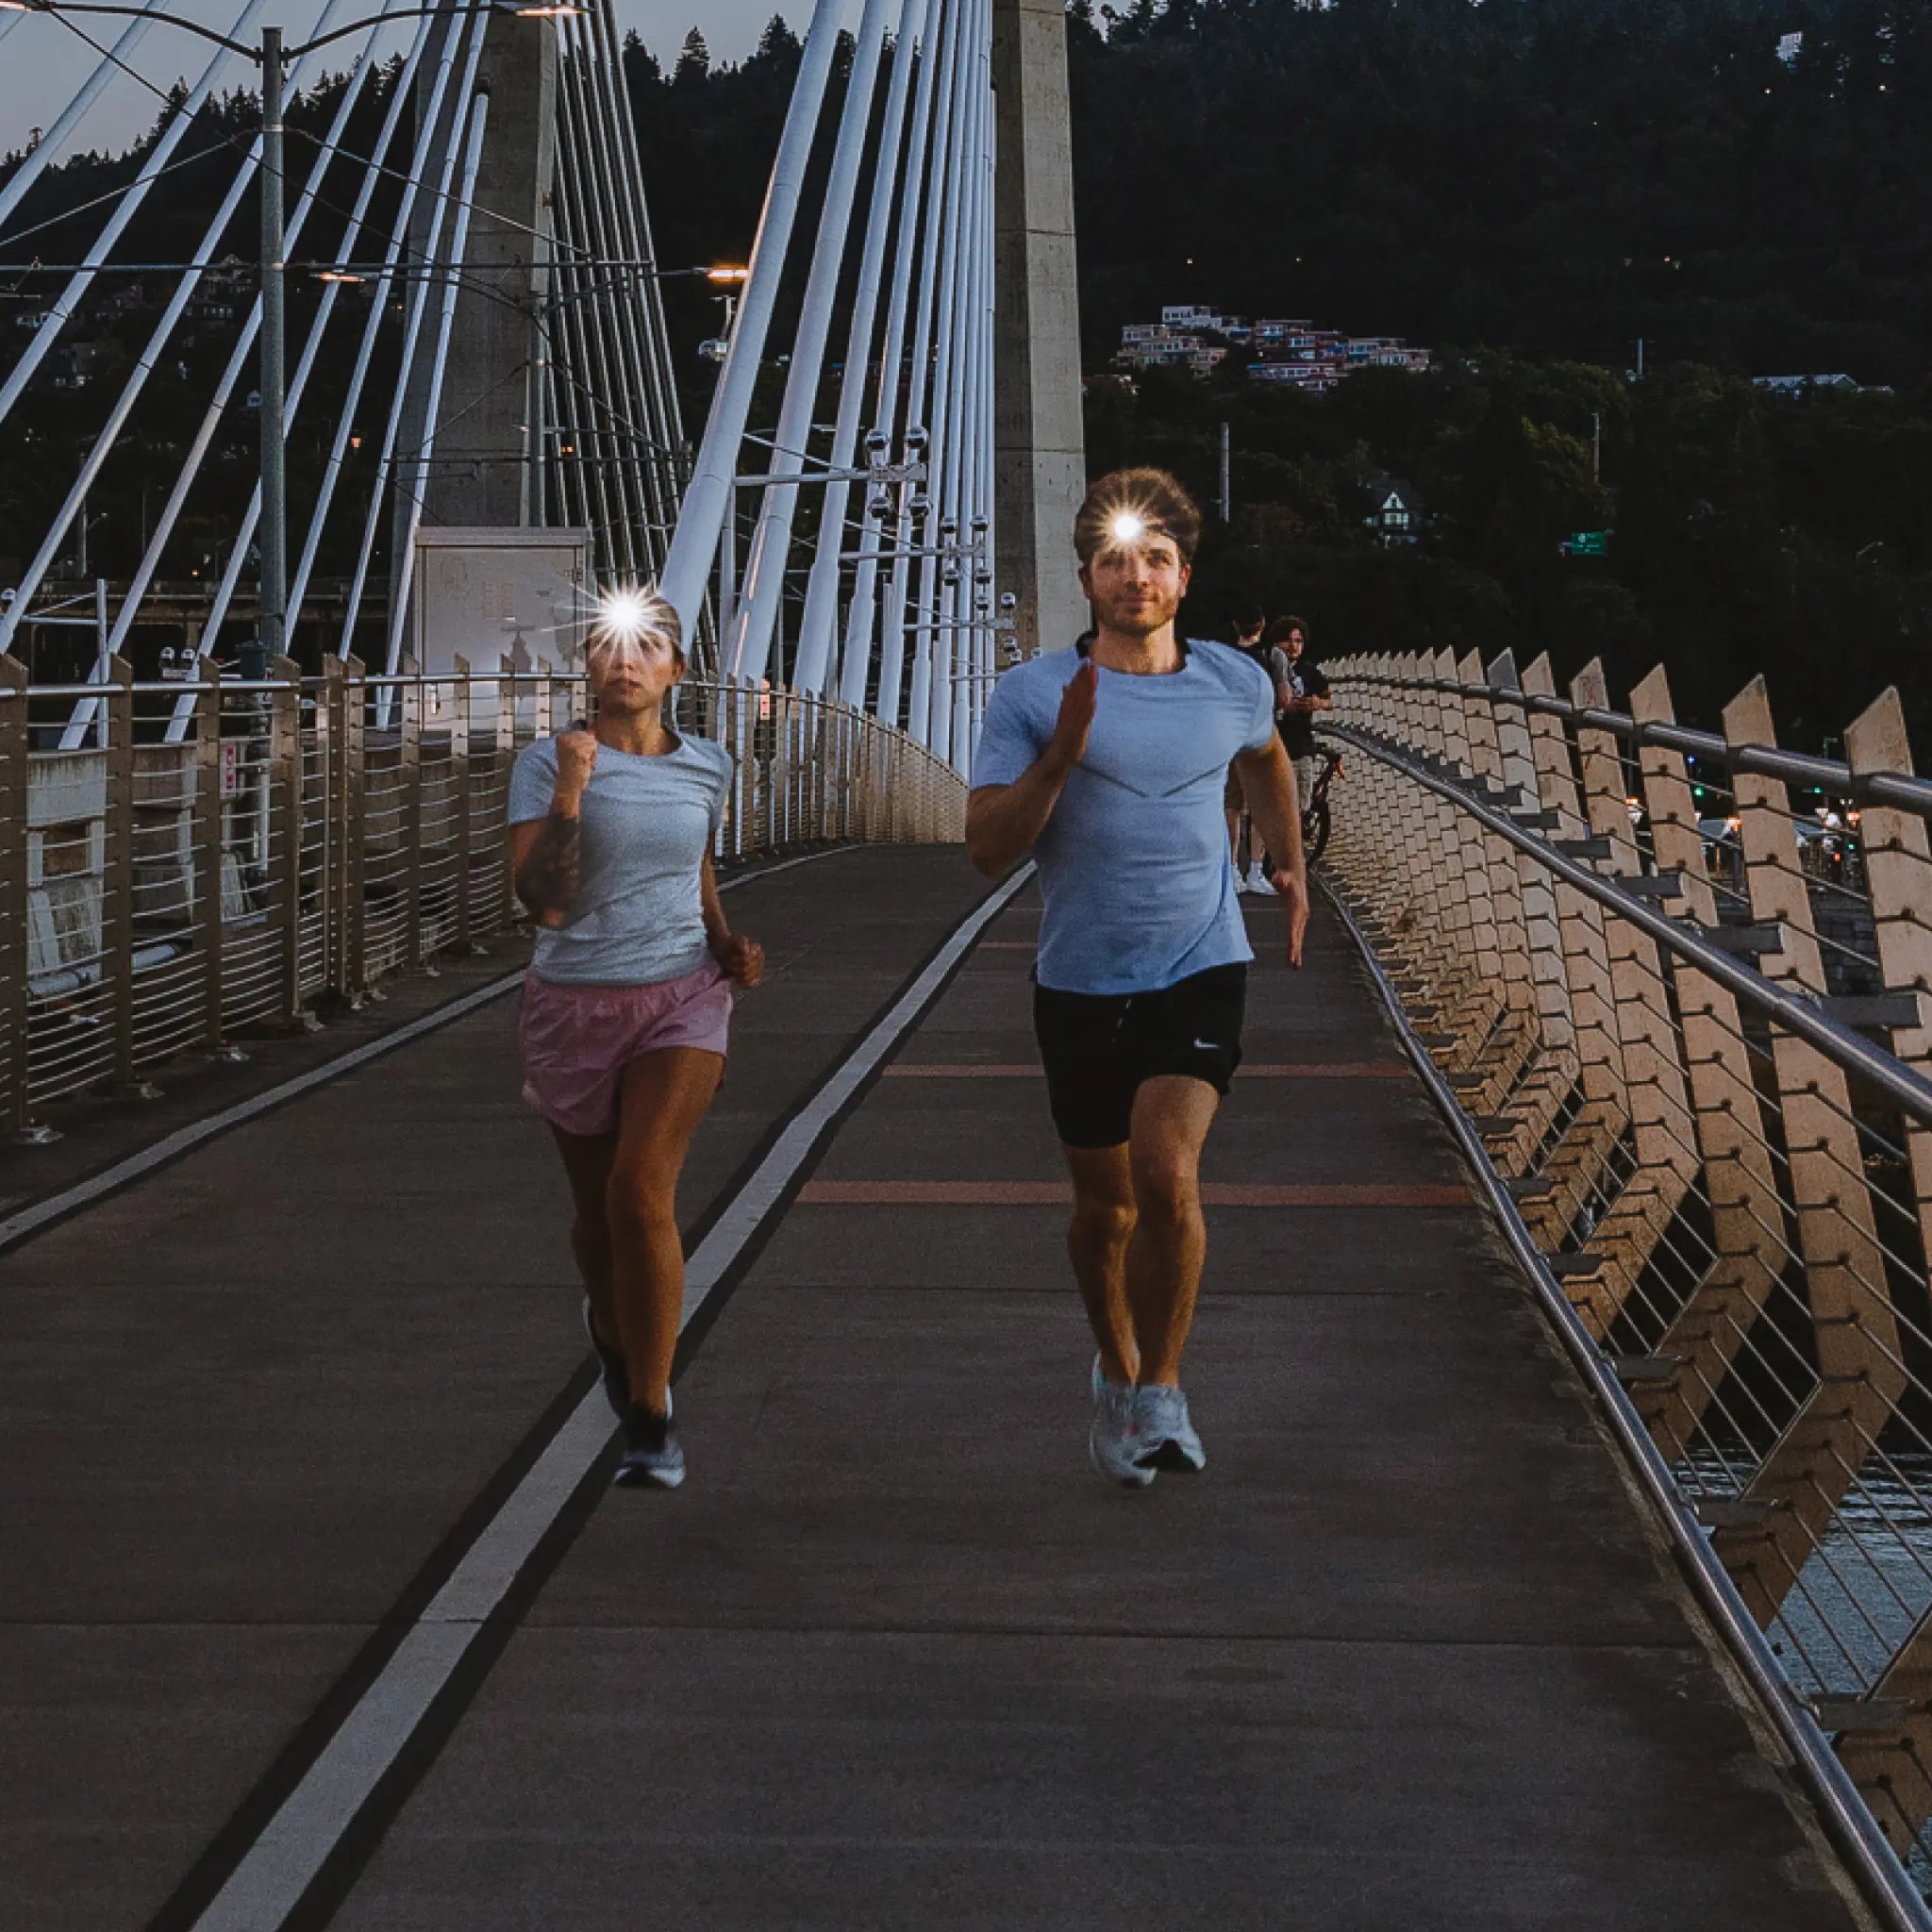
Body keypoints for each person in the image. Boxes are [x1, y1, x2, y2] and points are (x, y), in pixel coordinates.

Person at [965, 468, 1309, 1490]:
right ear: (1086, 579)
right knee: (1104, 1210)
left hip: (1201, 961)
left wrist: (1288, 862)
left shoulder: (1234, 681)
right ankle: (1114, 1366)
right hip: (1079, 976)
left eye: (1155, 558)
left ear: (1183, 577)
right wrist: (1061, 755)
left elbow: (1266, 758)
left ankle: (1162, 1388)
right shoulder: (1032, 696)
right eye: (1114, 560)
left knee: (1166, 1175)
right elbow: (986, 847)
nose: (1135, 576)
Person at [508, 588, 765, 1491]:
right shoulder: (545, 764)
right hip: (573, 1002)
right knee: (597, 1217)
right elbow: (543, 903)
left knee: (639, 1187)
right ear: (587, 662)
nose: (627, 660)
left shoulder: (708, 765)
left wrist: (725, 940)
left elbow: (695, 864)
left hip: (681, 998)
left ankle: (652, 1416)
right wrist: (572, 789)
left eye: (648, 646)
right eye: (610, 645)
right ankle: (612, 1329)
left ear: (676, 671)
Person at [1224, 605, 1292, 896]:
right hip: (1262, 735)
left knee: (1231, 805)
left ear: (1235, 626)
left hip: (1230, 735)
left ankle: (1231, 871)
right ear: (1262, 625)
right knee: (1261, 806)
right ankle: (1255, 870)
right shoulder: (1273, 656)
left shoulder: (1224, 656)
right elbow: (1285, 697)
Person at [1271, 614, 1331, 811]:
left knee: (1301, 805)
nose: (1293, 646)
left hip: (1301, 746)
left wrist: (1317, 703)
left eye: (1298, 641)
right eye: (1287, 641)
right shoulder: (1266, 668)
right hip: (1273, 745)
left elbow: (1329, 700)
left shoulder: (1310, 672)